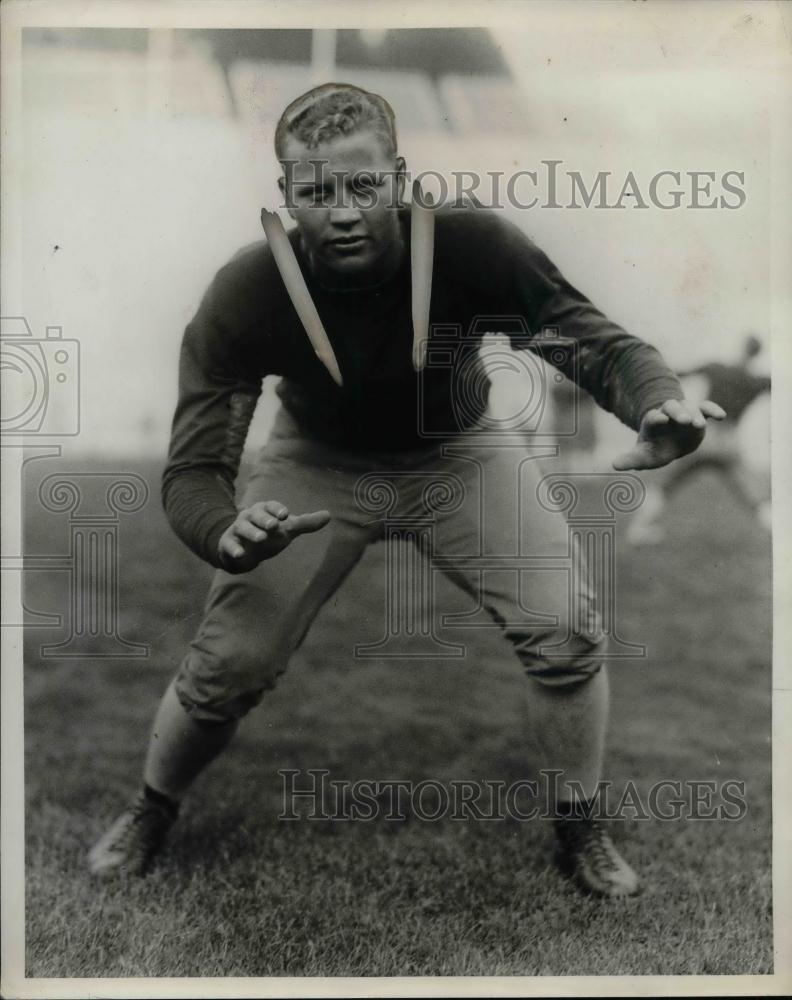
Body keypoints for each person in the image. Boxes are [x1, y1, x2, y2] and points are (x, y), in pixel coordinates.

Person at [88, 83, 725, 897]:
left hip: (456, 453)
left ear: (400, 175)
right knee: (230, 664)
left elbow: (589, 341)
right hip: (318, 462)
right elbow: (193, 467)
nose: (343, 211)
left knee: (564, 628)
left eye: (363, 186)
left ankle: (580, 826)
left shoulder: (470, 247)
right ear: (285, 198)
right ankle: (152, 806)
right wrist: (223, 528)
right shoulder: (248, 291)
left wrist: (655, 399)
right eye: (316, 192)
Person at [626, 335, 770, 545]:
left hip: (702, 436)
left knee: (664, 483)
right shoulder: (756, 381)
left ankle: (639, 530)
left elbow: (679, 374)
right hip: (730, 442)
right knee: (755, 496)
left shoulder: (717, 368)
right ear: (757, 354)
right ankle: (782, 540)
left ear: (742, 348)